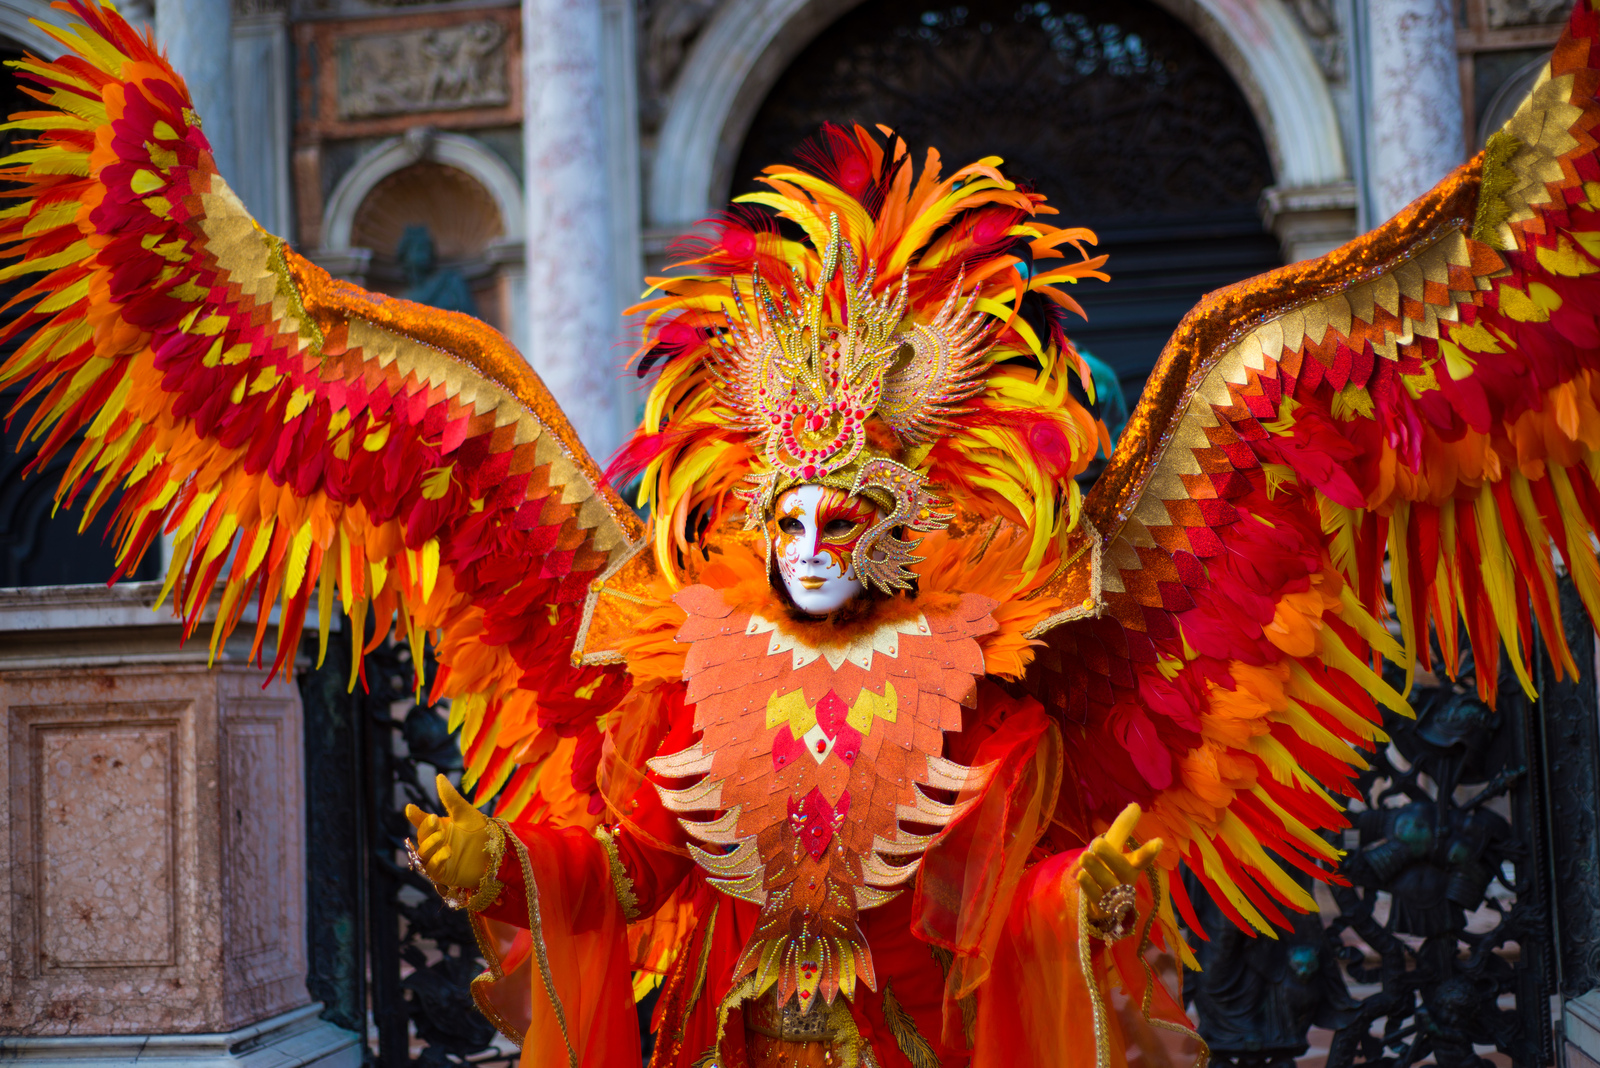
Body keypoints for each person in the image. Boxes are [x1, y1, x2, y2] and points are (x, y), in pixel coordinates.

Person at [6, 2, 1600, 1065]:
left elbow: (1010, 885)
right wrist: (516, 859)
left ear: (908, 530)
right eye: (796, 513)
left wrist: (1089, 902)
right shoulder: (679, 658)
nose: (820, 538)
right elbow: (632, 851)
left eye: (852, 515)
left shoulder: (994, 699)